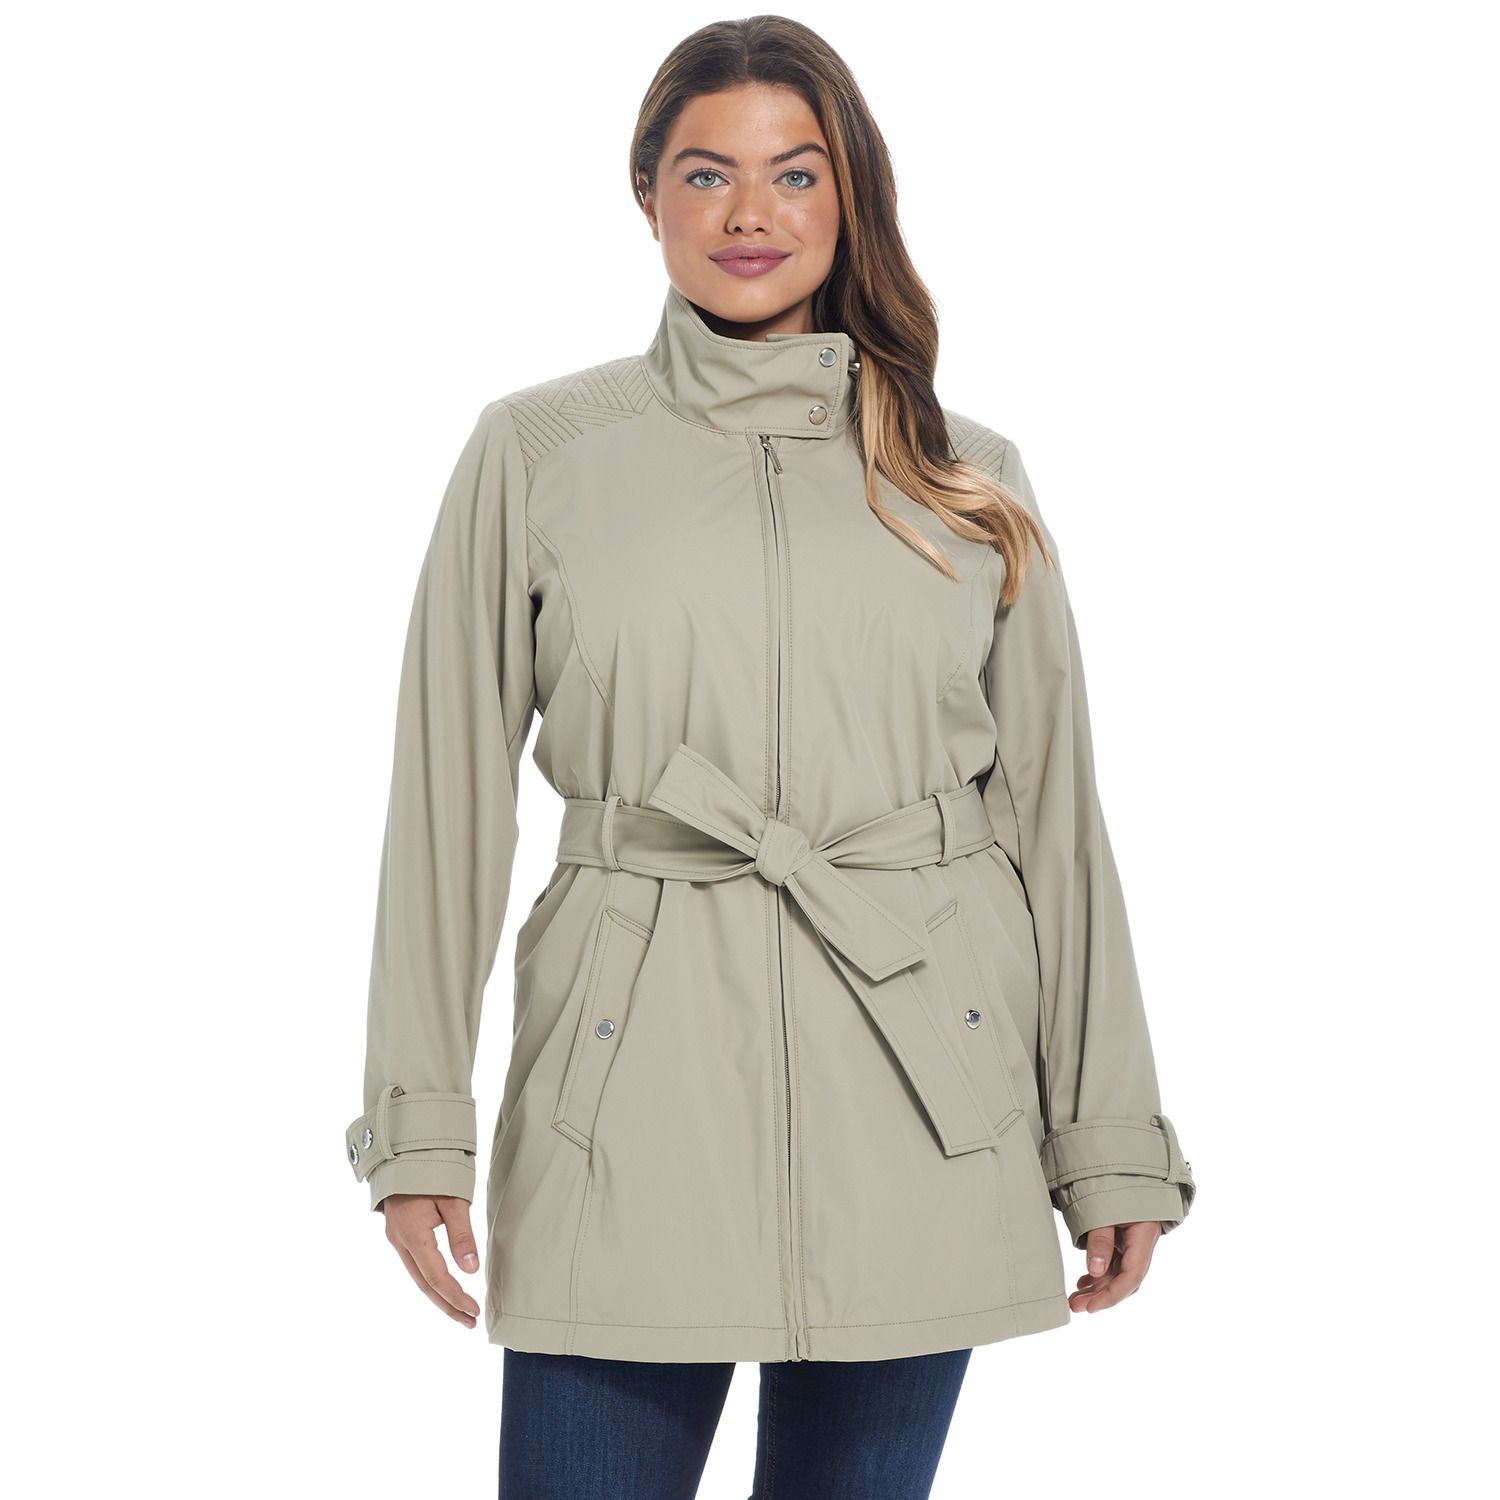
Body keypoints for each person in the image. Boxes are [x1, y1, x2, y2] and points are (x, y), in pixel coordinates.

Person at [343, 15, 1197, 1498]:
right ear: (646, 194)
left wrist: (1109, 1136)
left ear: (850, 195)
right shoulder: (538, 454)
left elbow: (1056, 823)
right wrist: (420, 1128)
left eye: (796, 174)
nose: (751, 213)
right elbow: (445, 806)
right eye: (707, 173)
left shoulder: (968, 476)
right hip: (626, 1085)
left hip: (923, 1088)